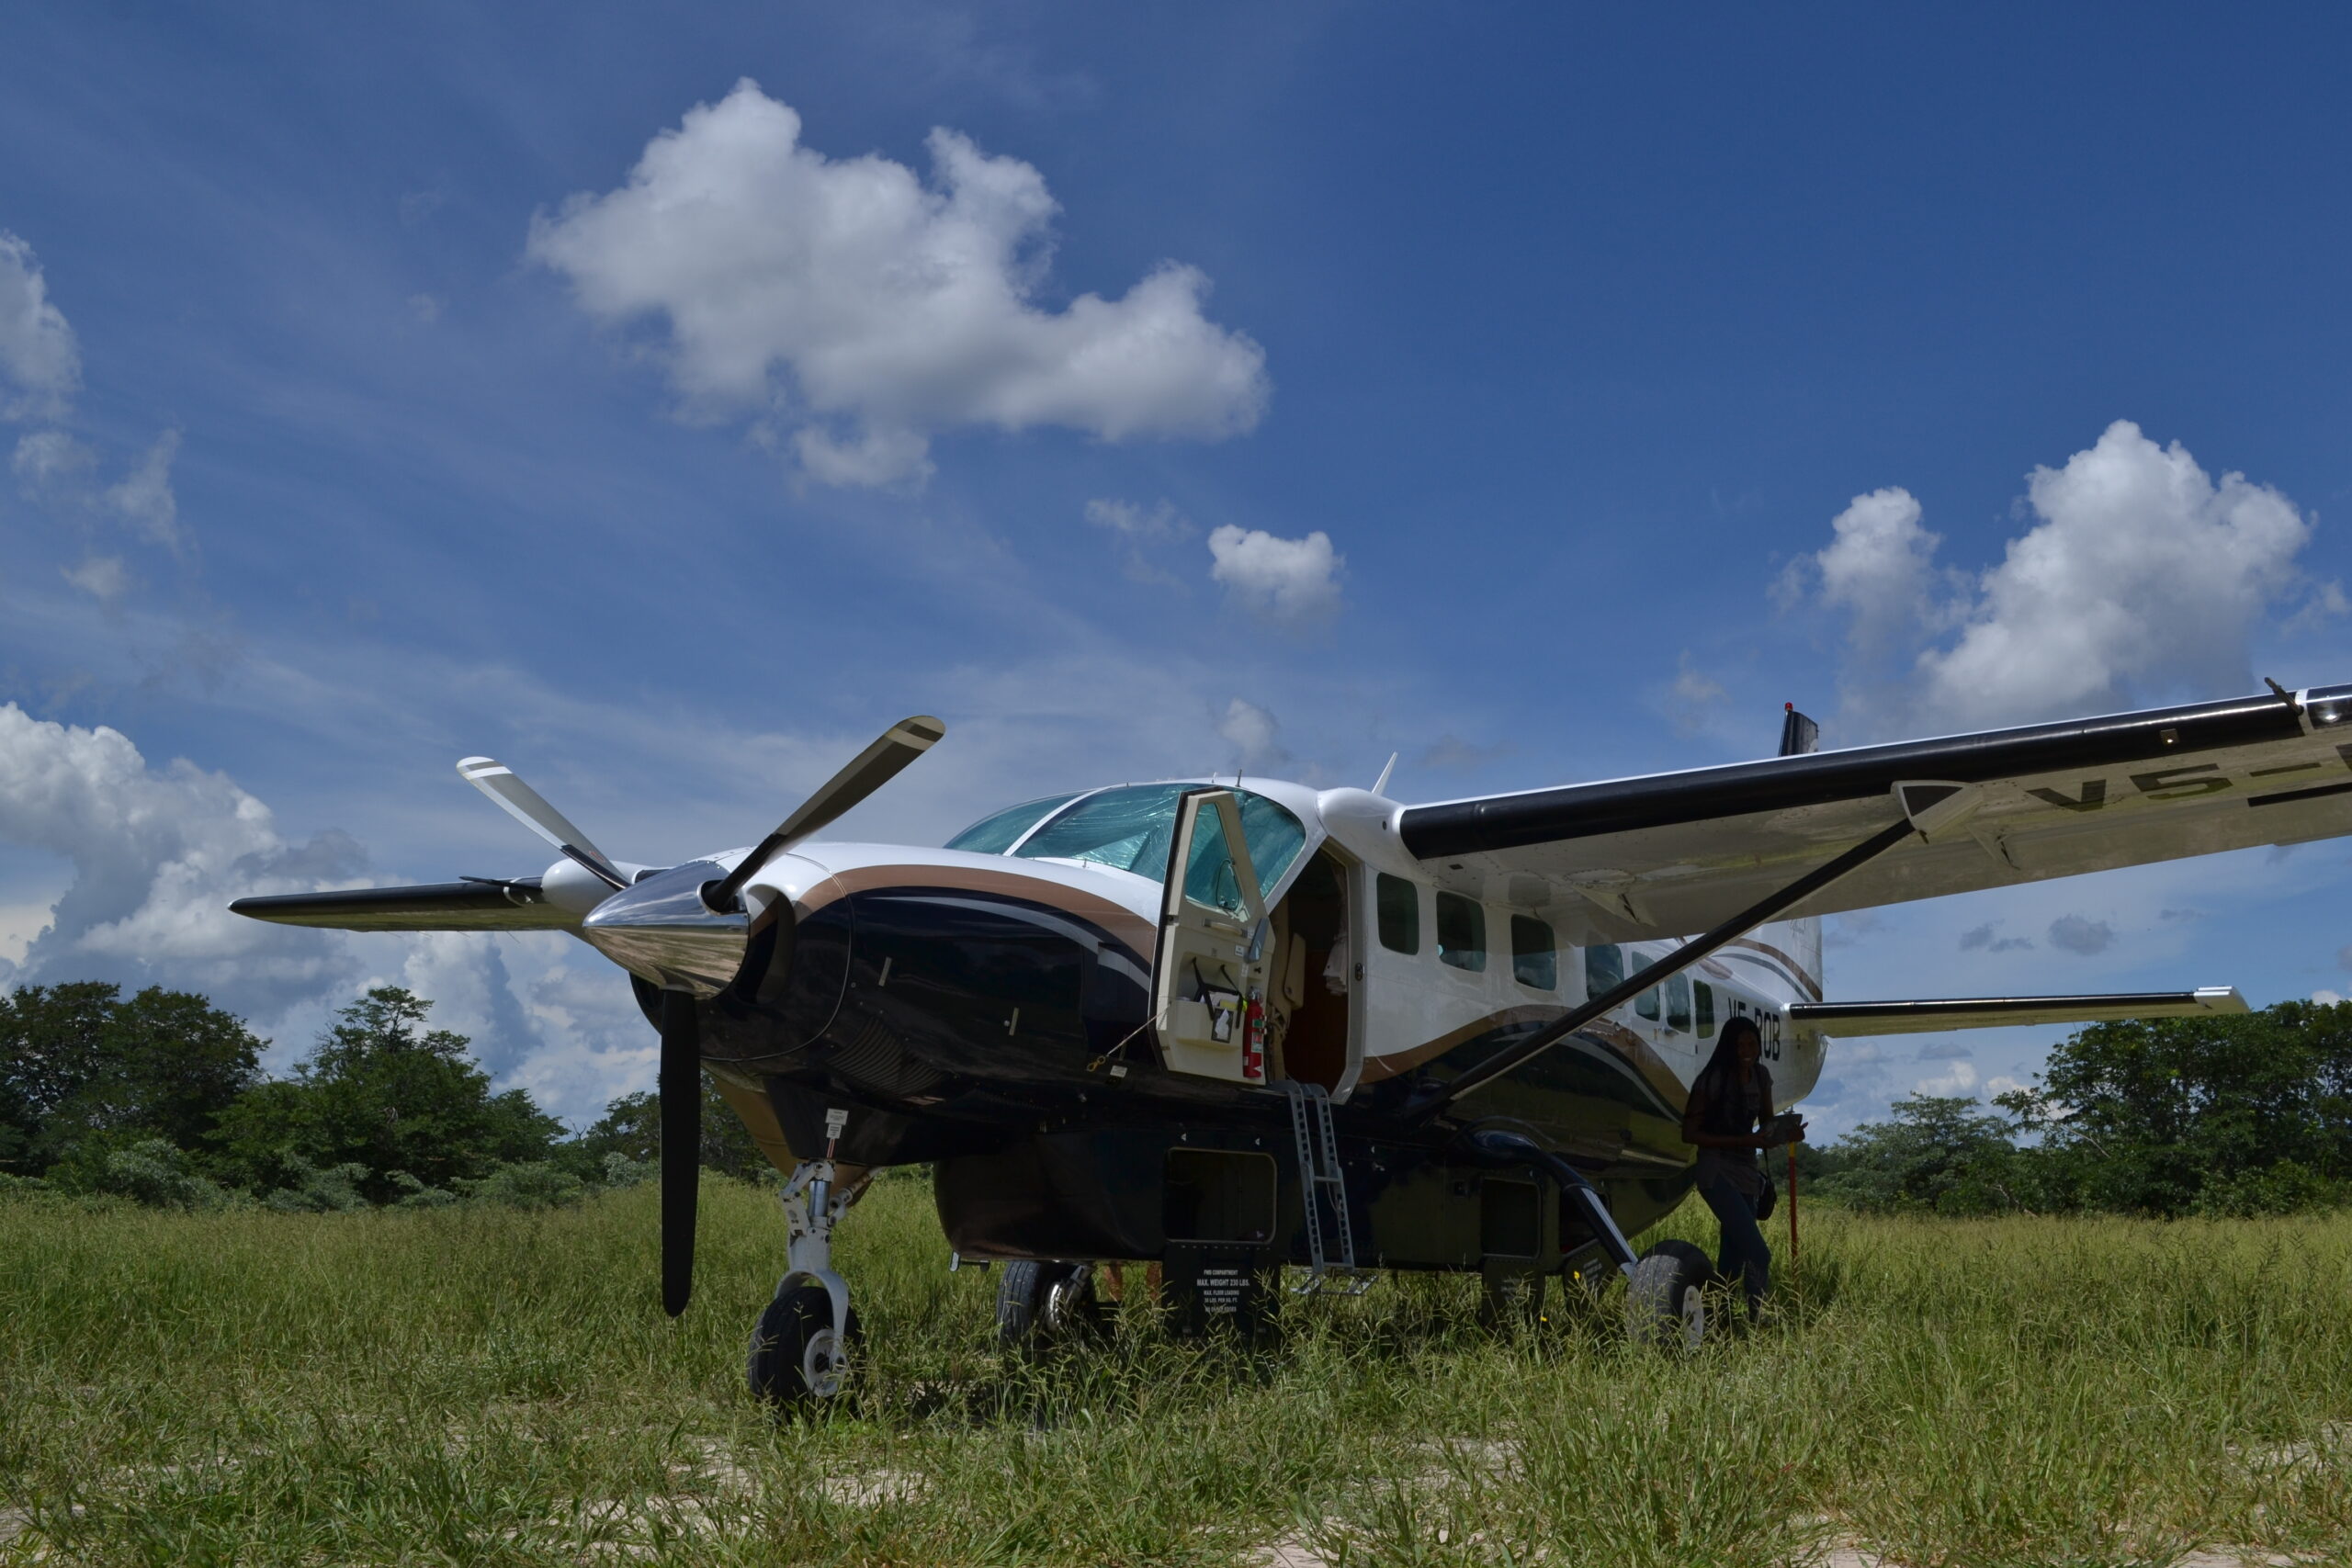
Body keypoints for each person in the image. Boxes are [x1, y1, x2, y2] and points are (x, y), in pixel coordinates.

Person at [1680, 1015, 1804, 1318]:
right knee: (1758, 1252)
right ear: (1729, 1048)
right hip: (1717, 1169)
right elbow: (1689, 1133)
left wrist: (1788, 1133)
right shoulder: (1713, 1080)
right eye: (1740, 1045)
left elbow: (1766, 1125)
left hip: (1747, 1170)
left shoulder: (1761, 1076)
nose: (1747, 1050)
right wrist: (1742, 1141)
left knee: (1733, 1255)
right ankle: (1757, 1317)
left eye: (1752, 1043)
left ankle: (1717, 1318)